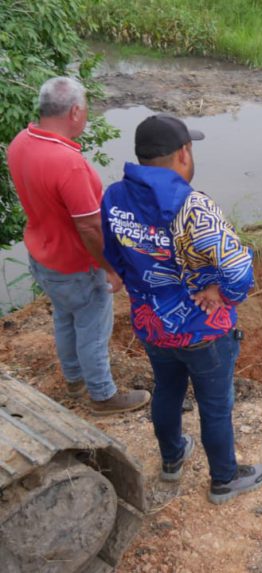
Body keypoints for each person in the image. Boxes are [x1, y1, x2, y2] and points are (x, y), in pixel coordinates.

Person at [101, 114, 262, 504]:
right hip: (203, 331)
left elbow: (115, 256)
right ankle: (224, 480)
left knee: (167, 391)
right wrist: (222, 294)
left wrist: (144, 294)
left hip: (153, 324)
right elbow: (239, 270)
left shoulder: (114, 197)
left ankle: (172, 459)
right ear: (183, 153)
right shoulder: (194, 207)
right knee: (214, 406)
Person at [6, 77, 150, 415]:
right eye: (85, 110)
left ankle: (74, 379)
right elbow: (88, 225)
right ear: (74, 112)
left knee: (65, 316)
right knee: (92, 327)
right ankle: (102, 395)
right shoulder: (67, 163)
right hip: (74, 264)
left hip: (43, 256)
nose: (86, 117)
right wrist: (111, 266)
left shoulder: (20, 143)